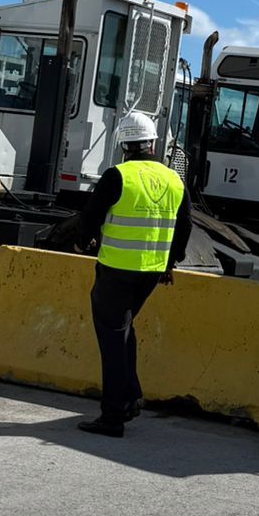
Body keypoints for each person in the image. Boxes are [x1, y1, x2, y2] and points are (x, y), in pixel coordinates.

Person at [63, 110, 190, 439]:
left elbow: (90, 216)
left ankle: (113, 416)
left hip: (117, 271)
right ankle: (130, 398)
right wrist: (170, 263)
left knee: (112, 341)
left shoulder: (117, 175)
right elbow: (185, 226)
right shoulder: (174, 179)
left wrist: (81, 241)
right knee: (122, 331)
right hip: (150, 274)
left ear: (124, 145)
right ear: (151, 144)